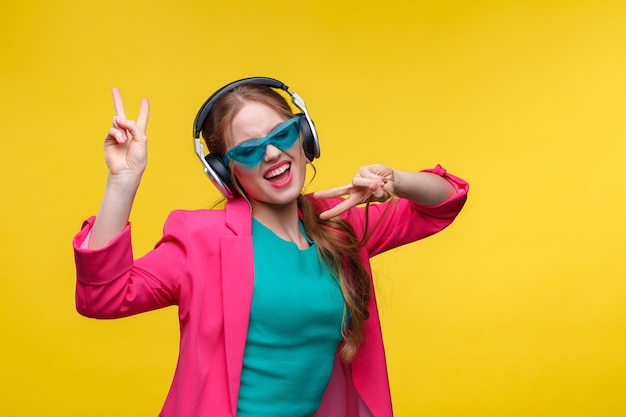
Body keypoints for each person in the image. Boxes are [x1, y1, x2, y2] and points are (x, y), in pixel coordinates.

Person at [73, 77, 469, 417]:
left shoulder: (339, 223)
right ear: (225, 172)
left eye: (282, 134)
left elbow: (444, 202)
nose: (273, 153)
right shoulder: (201, 239)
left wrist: (395, 181)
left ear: (305, 136)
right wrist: (122, 181)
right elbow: (103, 297)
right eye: (248, 149)